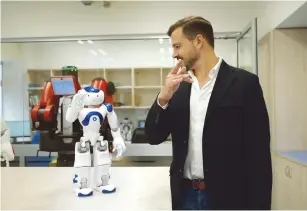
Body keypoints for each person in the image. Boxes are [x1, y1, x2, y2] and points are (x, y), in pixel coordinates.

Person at [145, 16, 272, 210]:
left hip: (229, 197)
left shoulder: (245, 83)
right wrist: (163, 98)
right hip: (185, 196)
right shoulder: (178, 87)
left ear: (198, 41)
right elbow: (153, 137)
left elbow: (259, 155)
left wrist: (261, 206)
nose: (174, 54)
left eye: (178, 46)